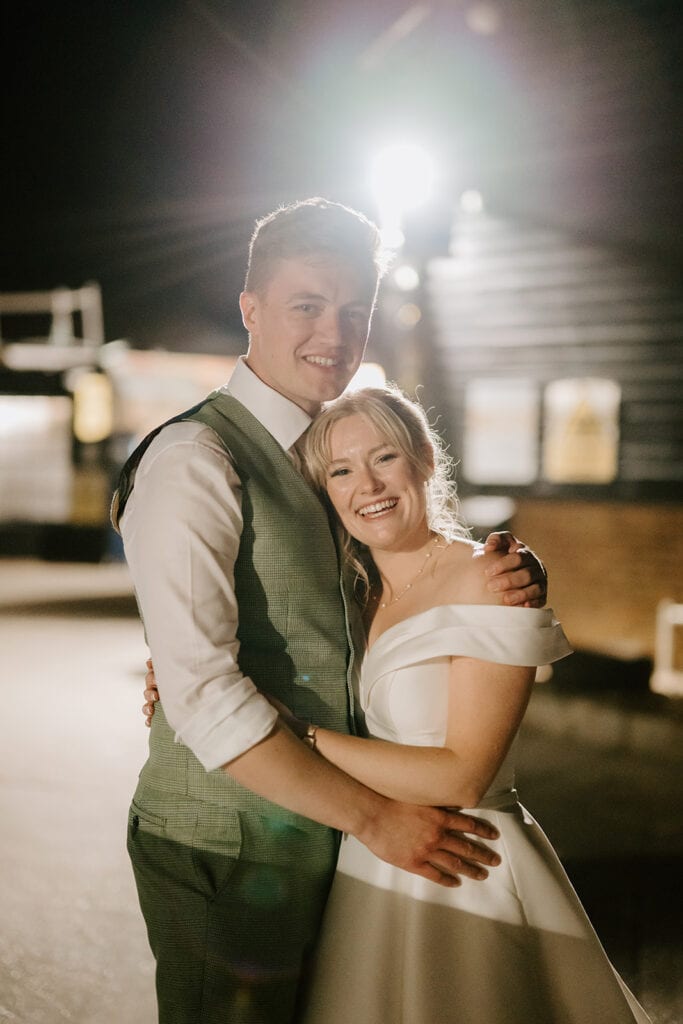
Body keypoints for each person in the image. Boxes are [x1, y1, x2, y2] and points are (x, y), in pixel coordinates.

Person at [114, 197, 548, 1024]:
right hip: (226, 846)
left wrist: (499, 566)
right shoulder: (195, 457)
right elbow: (204, 694)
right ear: (250, 310)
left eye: (356, 311)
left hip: (327, 847)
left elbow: (378, 588)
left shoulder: (324, 458)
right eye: (306, 306)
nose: (335, 334)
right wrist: (377, 819)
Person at [280, 384, 648, 1024]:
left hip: (465, 862)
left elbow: (463, 774)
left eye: (385, 458)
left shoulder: (491, 579)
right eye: (341, 470)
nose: (367, 484)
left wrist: (295, 737)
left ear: (424, 458)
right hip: (374, 865)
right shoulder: (348, 596)